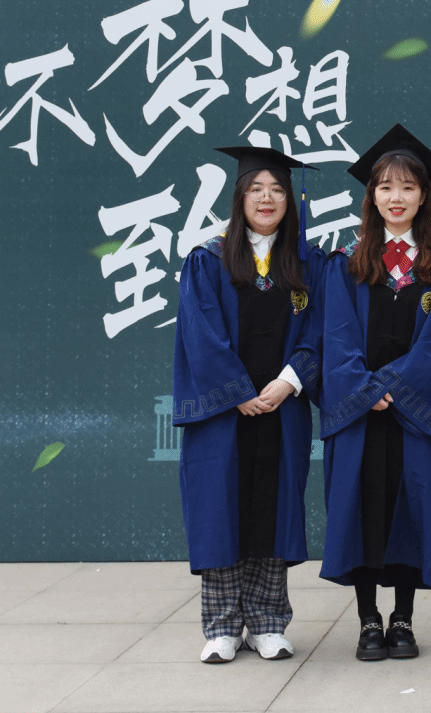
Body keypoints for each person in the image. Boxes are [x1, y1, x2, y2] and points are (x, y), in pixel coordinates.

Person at [172, 146, 324, 664]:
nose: (267, 198)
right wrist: (237, 392)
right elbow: (200, 335)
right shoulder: (208, 260)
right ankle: (220, 626)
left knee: (272, 512)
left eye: (277, 189)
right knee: (220, 511)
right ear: (239, 197)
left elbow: (321, 332)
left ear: (289, 200)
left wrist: (289, 381)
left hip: (282, 407)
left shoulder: (307, 263)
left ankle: (267, 623)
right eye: (256, 188)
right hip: (223, 414)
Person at [318, 125, 431, 661]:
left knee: (411, 509)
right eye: (385, 187)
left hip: (412, 412)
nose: (396, 197)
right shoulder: (346, 263)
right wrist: (365, 389)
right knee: (362, 509)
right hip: (361, 413)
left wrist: (392, 387)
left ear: (424, 196)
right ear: (371, 196)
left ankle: (402, 618)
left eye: (407, 187)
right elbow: (336, 337)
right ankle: (368, 620)